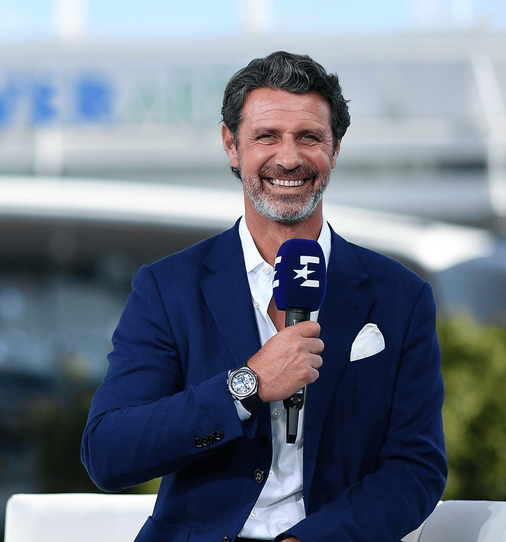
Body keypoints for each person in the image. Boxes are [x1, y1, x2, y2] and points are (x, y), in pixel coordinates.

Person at [81, 51, 447, 542]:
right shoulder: (168, 287)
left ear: (335, 148)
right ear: (232, 146)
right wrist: (246, 385)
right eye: (267, 136)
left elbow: (416, 467)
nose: (289, 158)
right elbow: (108, 453)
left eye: (309, 137)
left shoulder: (401, 295)